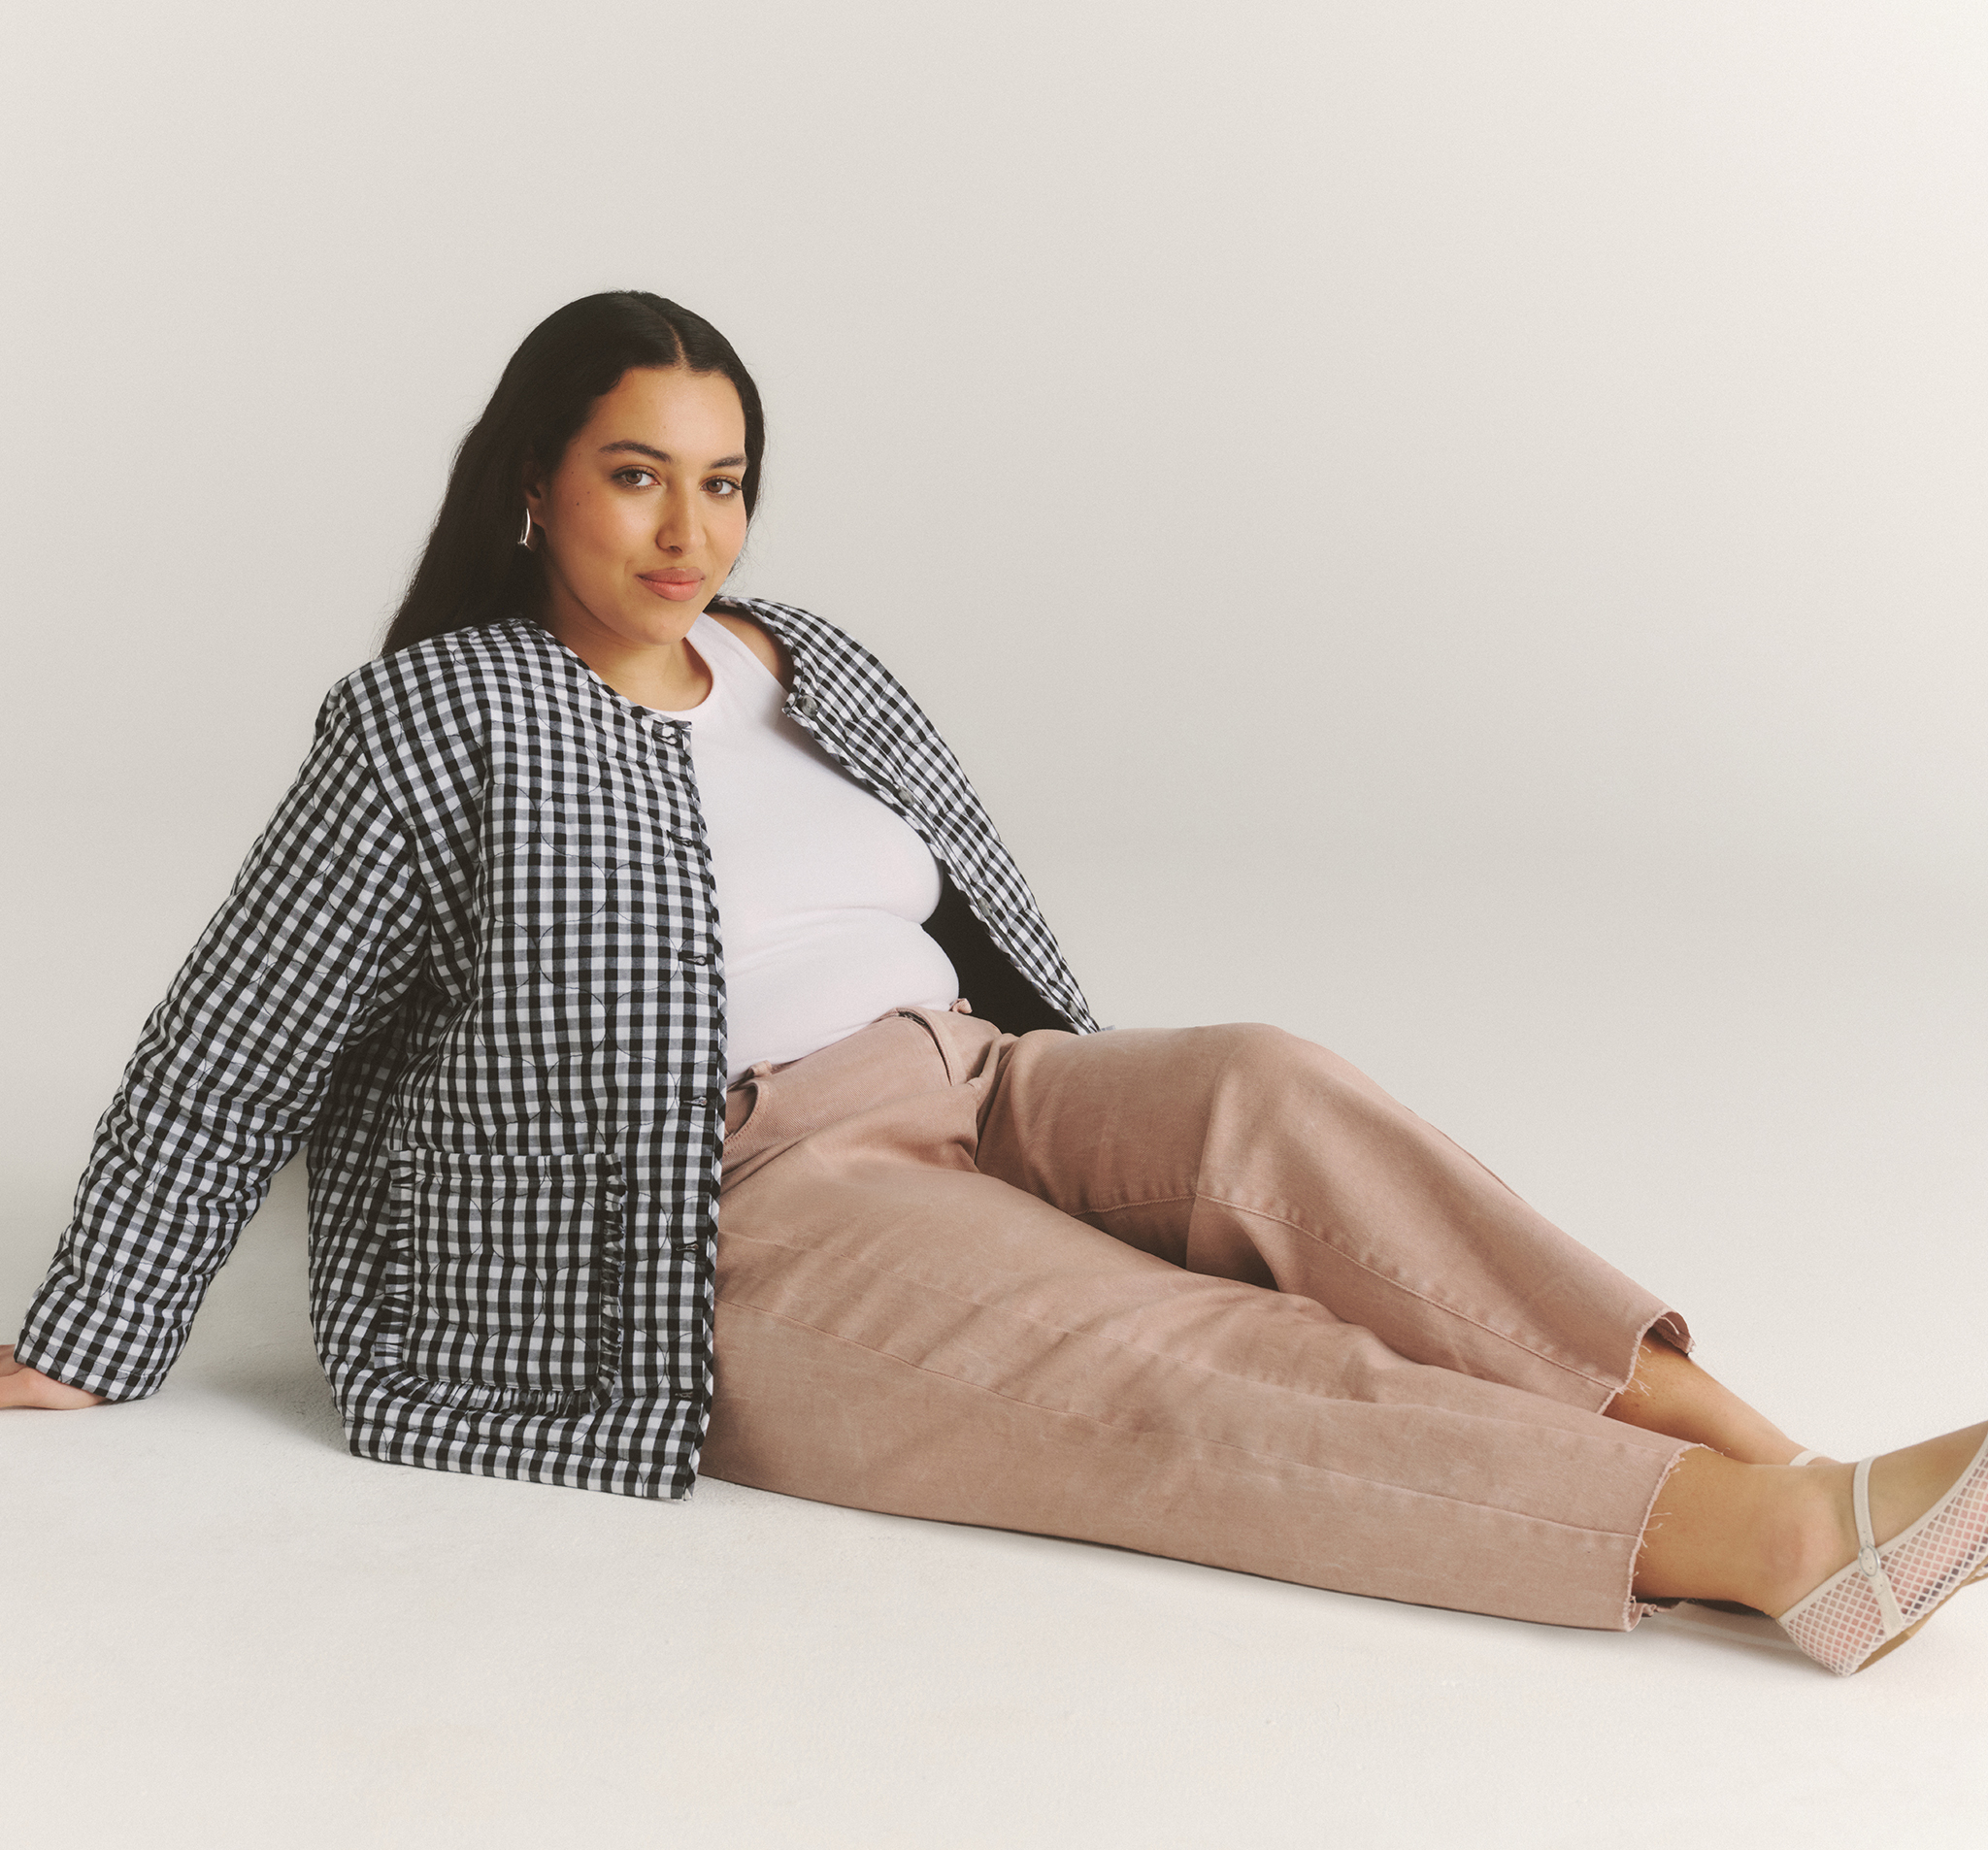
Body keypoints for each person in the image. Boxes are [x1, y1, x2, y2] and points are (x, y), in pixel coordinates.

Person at [5, 291, 1983, 1679]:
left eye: (727, 480)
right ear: (534, 481)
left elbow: (977, 916)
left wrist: (1071, 1120)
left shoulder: (799, 658)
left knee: (1275, 1093)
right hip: (739, 1200)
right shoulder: (433, 721)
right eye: (637, 477)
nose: (692, 531)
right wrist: (84, 1337)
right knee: (1184, 1365)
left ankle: (1780, 1450)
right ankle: (1781, 1550)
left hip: (978, 1081)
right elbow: (225, 1052)